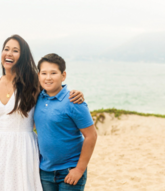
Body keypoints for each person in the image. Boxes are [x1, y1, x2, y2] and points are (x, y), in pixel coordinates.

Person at [0, 35, 85, 191]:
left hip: (23, 149)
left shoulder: (34, 84)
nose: (9, 53)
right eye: (6, 49)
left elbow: (55, 91)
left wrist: (77, 94)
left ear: (23, 56)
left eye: (15, 50)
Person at [34, 53, 97, 191]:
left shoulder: (74, 101)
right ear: (38, 75)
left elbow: (91, 136)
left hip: (70, 170)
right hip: (45, 171)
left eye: (53, 73)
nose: (48, 77)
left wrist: (79, 169)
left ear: (63, 75)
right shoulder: (36, 98)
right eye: (44, 73)